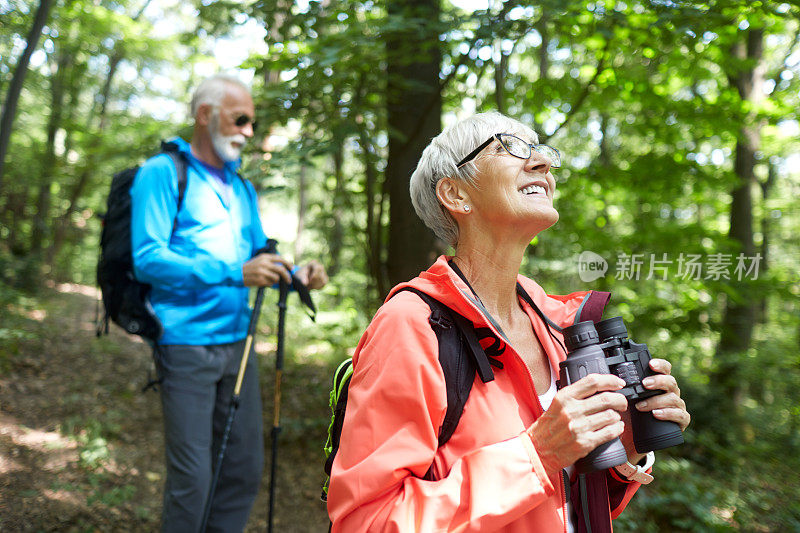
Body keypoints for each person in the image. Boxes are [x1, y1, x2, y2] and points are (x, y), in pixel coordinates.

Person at [326, 112, 690, 531]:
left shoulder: (555, 325)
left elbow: (563, 506)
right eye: (511, 148)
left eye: (542, 153)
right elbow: (366, 522)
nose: (542, 165)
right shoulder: (412, 326)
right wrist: (536, 454)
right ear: (456, 193)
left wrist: (623, 446)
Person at [130, 74, 328, 532]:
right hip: (185, 346)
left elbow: (259, 256)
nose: (248, 131)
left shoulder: (241, 189)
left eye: (252, 123)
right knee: (192, 479)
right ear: (205, 115)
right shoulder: (161, 173)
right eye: (241, 119)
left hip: (238, 347)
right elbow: (147, 258)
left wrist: (296, 277)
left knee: (241, 470)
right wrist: (233, 274)